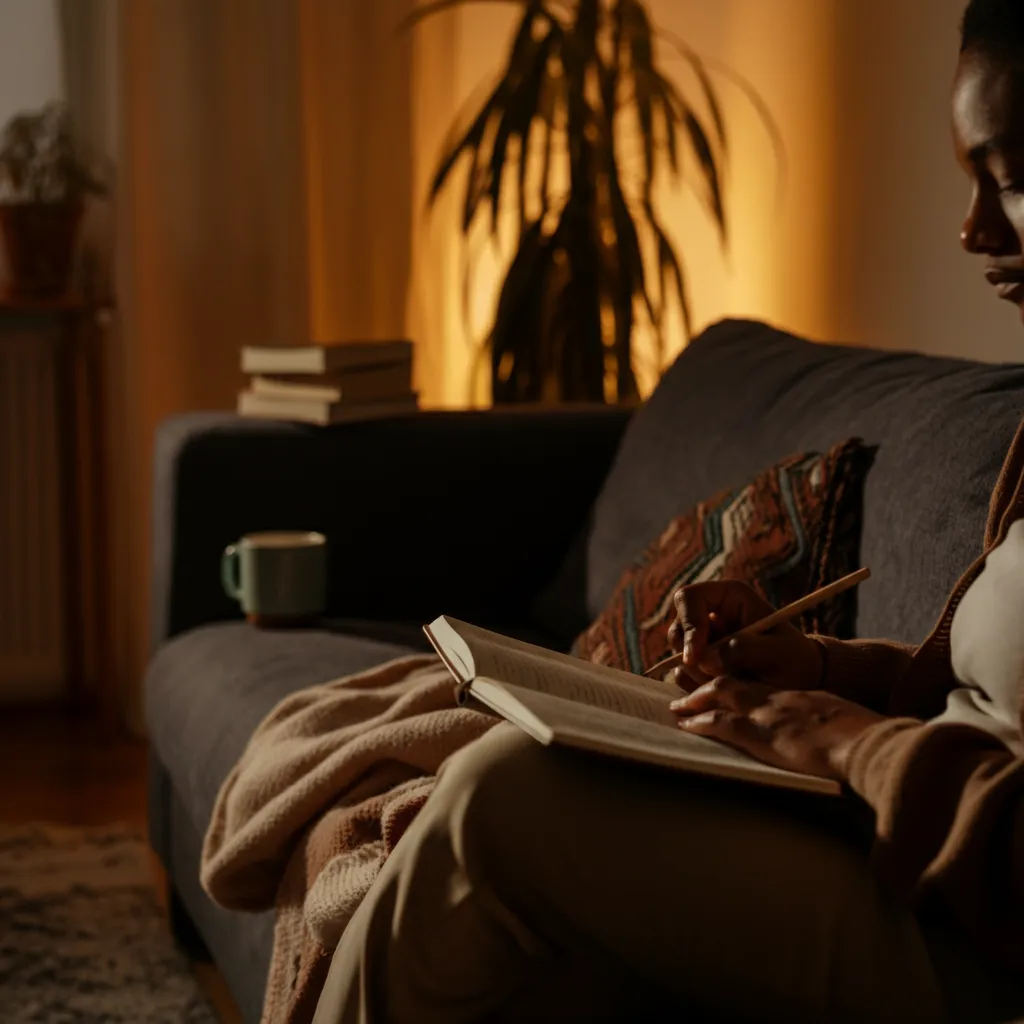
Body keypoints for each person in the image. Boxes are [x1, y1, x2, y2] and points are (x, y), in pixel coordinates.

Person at [313, 1, 1024, 1020]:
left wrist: (842, 742)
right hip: (897, 846)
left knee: (500, 800)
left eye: (1008, 178)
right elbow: (969, 694)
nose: (971, 230)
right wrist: (817, 671)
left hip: (969, 944)